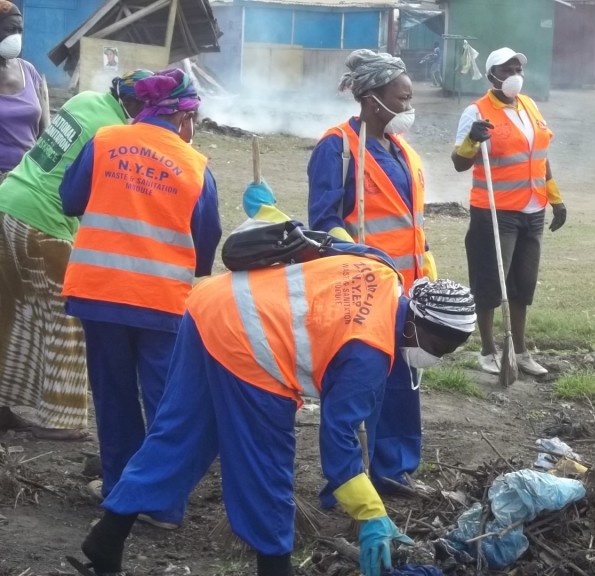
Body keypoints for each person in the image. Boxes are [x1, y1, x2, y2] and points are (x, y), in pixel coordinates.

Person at [73, 237, 476, 576]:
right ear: (413, 325)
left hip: (212, 302)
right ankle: (274, 568)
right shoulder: (368, 354)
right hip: (251, 345)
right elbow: (338, 444)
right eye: (439, 346)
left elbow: (319, 244)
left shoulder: (384, 269)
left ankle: (106, 540)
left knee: (181, 435)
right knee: (267, 467)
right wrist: (371, 515)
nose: (437, 356)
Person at [59, 68, 221, 529]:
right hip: (161, 302)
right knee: (166, 401)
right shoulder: (195, 165)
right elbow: (206, 241)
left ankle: (119, 492)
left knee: (112, 396)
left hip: (98, 293)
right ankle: (163, 504)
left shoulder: (106, 140)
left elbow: (70, 199)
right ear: (183, 117)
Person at [303, 49, 435, 491]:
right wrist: (362, 257)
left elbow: (411, 221)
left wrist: (426, 266)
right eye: (402, 98)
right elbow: (324, 221)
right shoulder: (337, 148)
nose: (407, 107)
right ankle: (347, 479)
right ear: (372, 98)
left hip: (410, 289)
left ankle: (394, 469)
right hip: (366, 290)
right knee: (364, 382)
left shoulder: (403, 152)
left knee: (403, 381)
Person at [0, 70, 152, 440]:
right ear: (132, 104)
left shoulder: (85, 100)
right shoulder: (114, 133)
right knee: (68, 315)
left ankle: (4, 402)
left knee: (13, 311)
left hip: (9, 203)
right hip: (43, 223)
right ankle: (62, 420)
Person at [451, 47, 568, 377]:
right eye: (507, 69)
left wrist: (555, 199)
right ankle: (488, 351)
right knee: (491, 283)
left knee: (523, 283)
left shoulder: (530, 106)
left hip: (533, 211)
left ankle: (520, 350)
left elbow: (540, 158)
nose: (515, 74)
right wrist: (472, 140)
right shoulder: (476, 111)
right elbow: (459, 163)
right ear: (491, 76)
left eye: (518, 68)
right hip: (495, 210)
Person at [0, 1, 45, 178]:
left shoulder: (29, 71)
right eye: (10, 30)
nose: (15, 37)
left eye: (19, 31)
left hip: (26, 176)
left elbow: (44, 131)